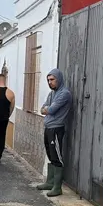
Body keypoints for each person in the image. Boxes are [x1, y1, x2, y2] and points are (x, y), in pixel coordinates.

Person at [37, 68, 72, 197]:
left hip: (57, 129)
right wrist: (46, 109)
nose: (50, 82)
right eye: (48, 80)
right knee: (50, 154)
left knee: (57, 156)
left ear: (59, 79)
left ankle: (57, 187)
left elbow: (50, 109)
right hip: (48, 128)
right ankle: (50, 182)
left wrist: (47, 109)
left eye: (52, 80)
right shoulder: (52, 94)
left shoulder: (64, 93)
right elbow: (42, 109)